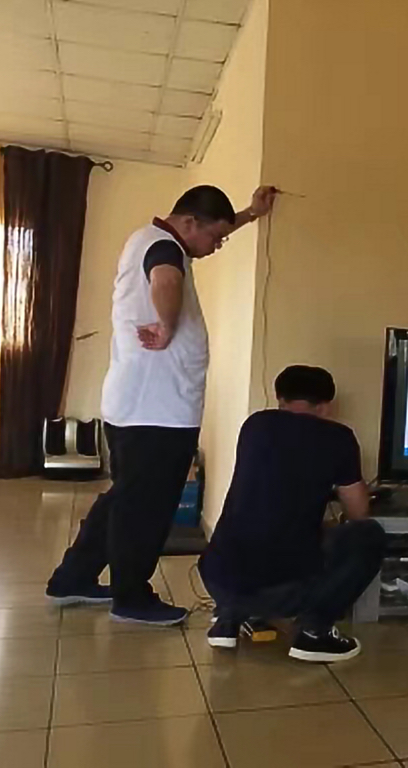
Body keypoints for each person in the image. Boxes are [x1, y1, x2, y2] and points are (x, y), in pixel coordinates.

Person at [46, 184, 277, 626]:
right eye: (216, 237)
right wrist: (167, 325)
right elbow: (167, 280)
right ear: (189, 223)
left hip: (140, 406)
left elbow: (197, 241)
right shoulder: (163, 248)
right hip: (157, 411)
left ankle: (72, 577)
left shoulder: (152, 239)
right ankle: (132, 597)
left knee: (124, 499)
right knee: (144, 509)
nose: (217, 246)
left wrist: (250, 213)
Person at [198, 365, 386, 662]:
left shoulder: (255, 425)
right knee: (368, 534)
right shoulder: (338, 437)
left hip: (216, 576)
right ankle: (315, 634)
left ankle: (229, 616)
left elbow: (274, 490)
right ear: (325, 406)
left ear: (280, 399)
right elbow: (358, 510)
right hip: (281, 585)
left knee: (258, 534)